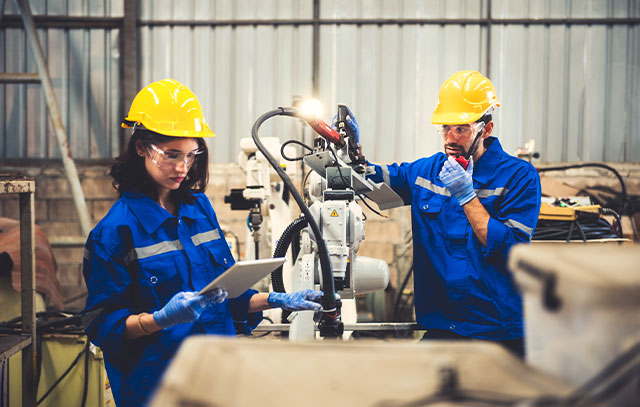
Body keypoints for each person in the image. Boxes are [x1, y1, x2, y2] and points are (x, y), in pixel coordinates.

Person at [82, 79, 323, 407]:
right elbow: (102, 325)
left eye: (191, 155)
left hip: (218, 377)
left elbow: (223, 296)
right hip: (159, 388)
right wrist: (160, 319)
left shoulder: (198, 208)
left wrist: (278, 299)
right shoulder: (114, 233)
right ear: (141, 147)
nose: (183, 167)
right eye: (171, 155)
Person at [341, 71, 541, 357]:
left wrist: (466, 195)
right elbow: (374, 180)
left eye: (461, 129)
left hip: (498, 330)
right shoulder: (427, 172)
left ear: (486, 129)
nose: (450, 138)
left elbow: (510, 248)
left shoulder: (519, 177)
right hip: (444, 328)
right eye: (445, 128)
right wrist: (350, 159)